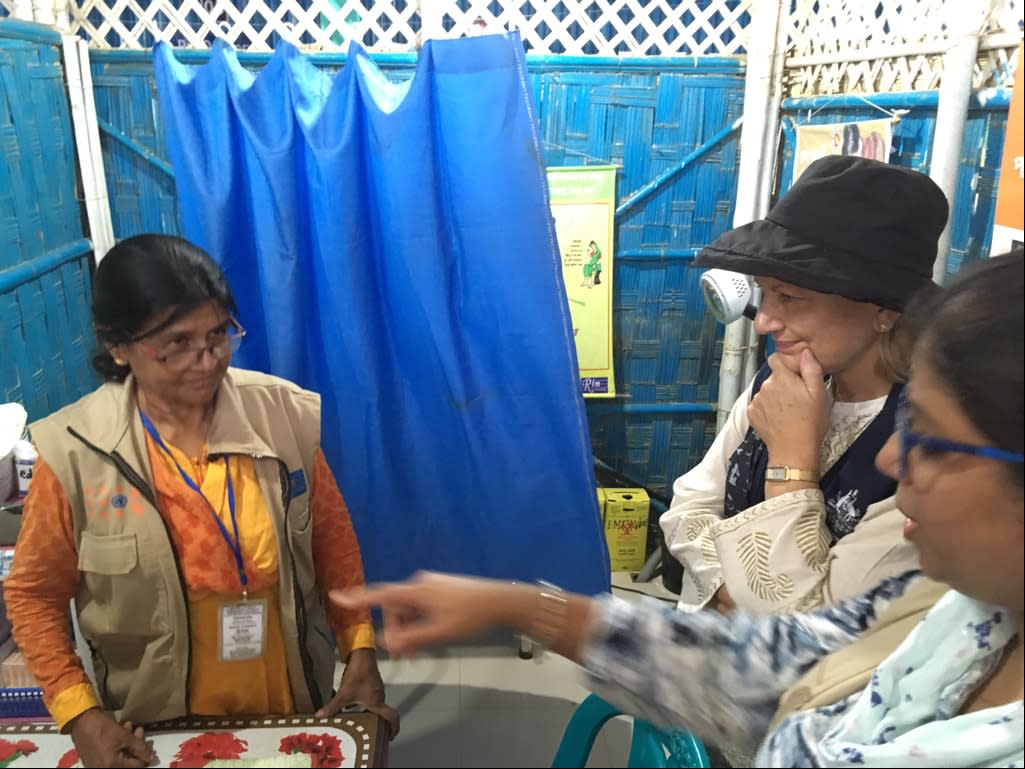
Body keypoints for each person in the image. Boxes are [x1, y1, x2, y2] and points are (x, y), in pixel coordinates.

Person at [334, 250, 1025, 767]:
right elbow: (758, 634)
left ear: (881, 314)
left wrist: (790, 469)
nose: (894, 458)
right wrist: (517, 605)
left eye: (931, 438)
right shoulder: (952, 608)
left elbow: (775, 617)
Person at [5, 234, 398, 768]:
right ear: (117, 345)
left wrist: (360, 648)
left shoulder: (281, 416)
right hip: (155, 728)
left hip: (288, 704)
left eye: (218, 334)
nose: (207, 360)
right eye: (178, 343)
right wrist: (79, 713)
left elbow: (333, 544)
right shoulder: (76, 453)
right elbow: (33, 595)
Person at [660, 155, 948, 615]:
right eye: (766, 293)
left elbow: (811, 622)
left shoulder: (922, 444)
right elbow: (692, 502)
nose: (764, 322)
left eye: (791, 297)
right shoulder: (779, 382)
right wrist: (723, 589)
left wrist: (792, 464)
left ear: (885, 311)